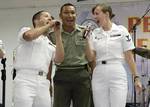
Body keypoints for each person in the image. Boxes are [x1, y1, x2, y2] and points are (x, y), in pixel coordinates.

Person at [86, 3, 142, 107]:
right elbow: (90, 58)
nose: (95, 17)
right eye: (94, 14)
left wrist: (136, 77)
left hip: (117, 70)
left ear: (106, 14)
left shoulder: (121, 30)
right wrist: (86, 41)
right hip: (99, 72)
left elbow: (129, 57)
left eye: (97, 13)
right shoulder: (94, 33)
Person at [13, 10, 64, 107]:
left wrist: (58, 34)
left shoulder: (49, 44)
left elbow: (59, 59)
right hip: (25, 79)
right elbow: (29, 36)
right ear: (36, 20)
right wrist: (49, 25)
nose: (50, 19)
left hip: (43, 82)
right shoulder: (25, 30)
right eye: (46, 16)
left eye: (51, 18)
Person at [48, 3, 93, 107]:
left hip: (82, 75)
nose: (70, 15)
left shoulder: (84, 32)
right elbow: (49, 61)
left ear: (76, 15)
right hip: (61, 75)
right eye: (66, 13)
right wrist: (48, 80)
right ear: (60, 15)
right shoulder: (53, 34)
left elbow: (91, 58)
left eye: (72, 13)